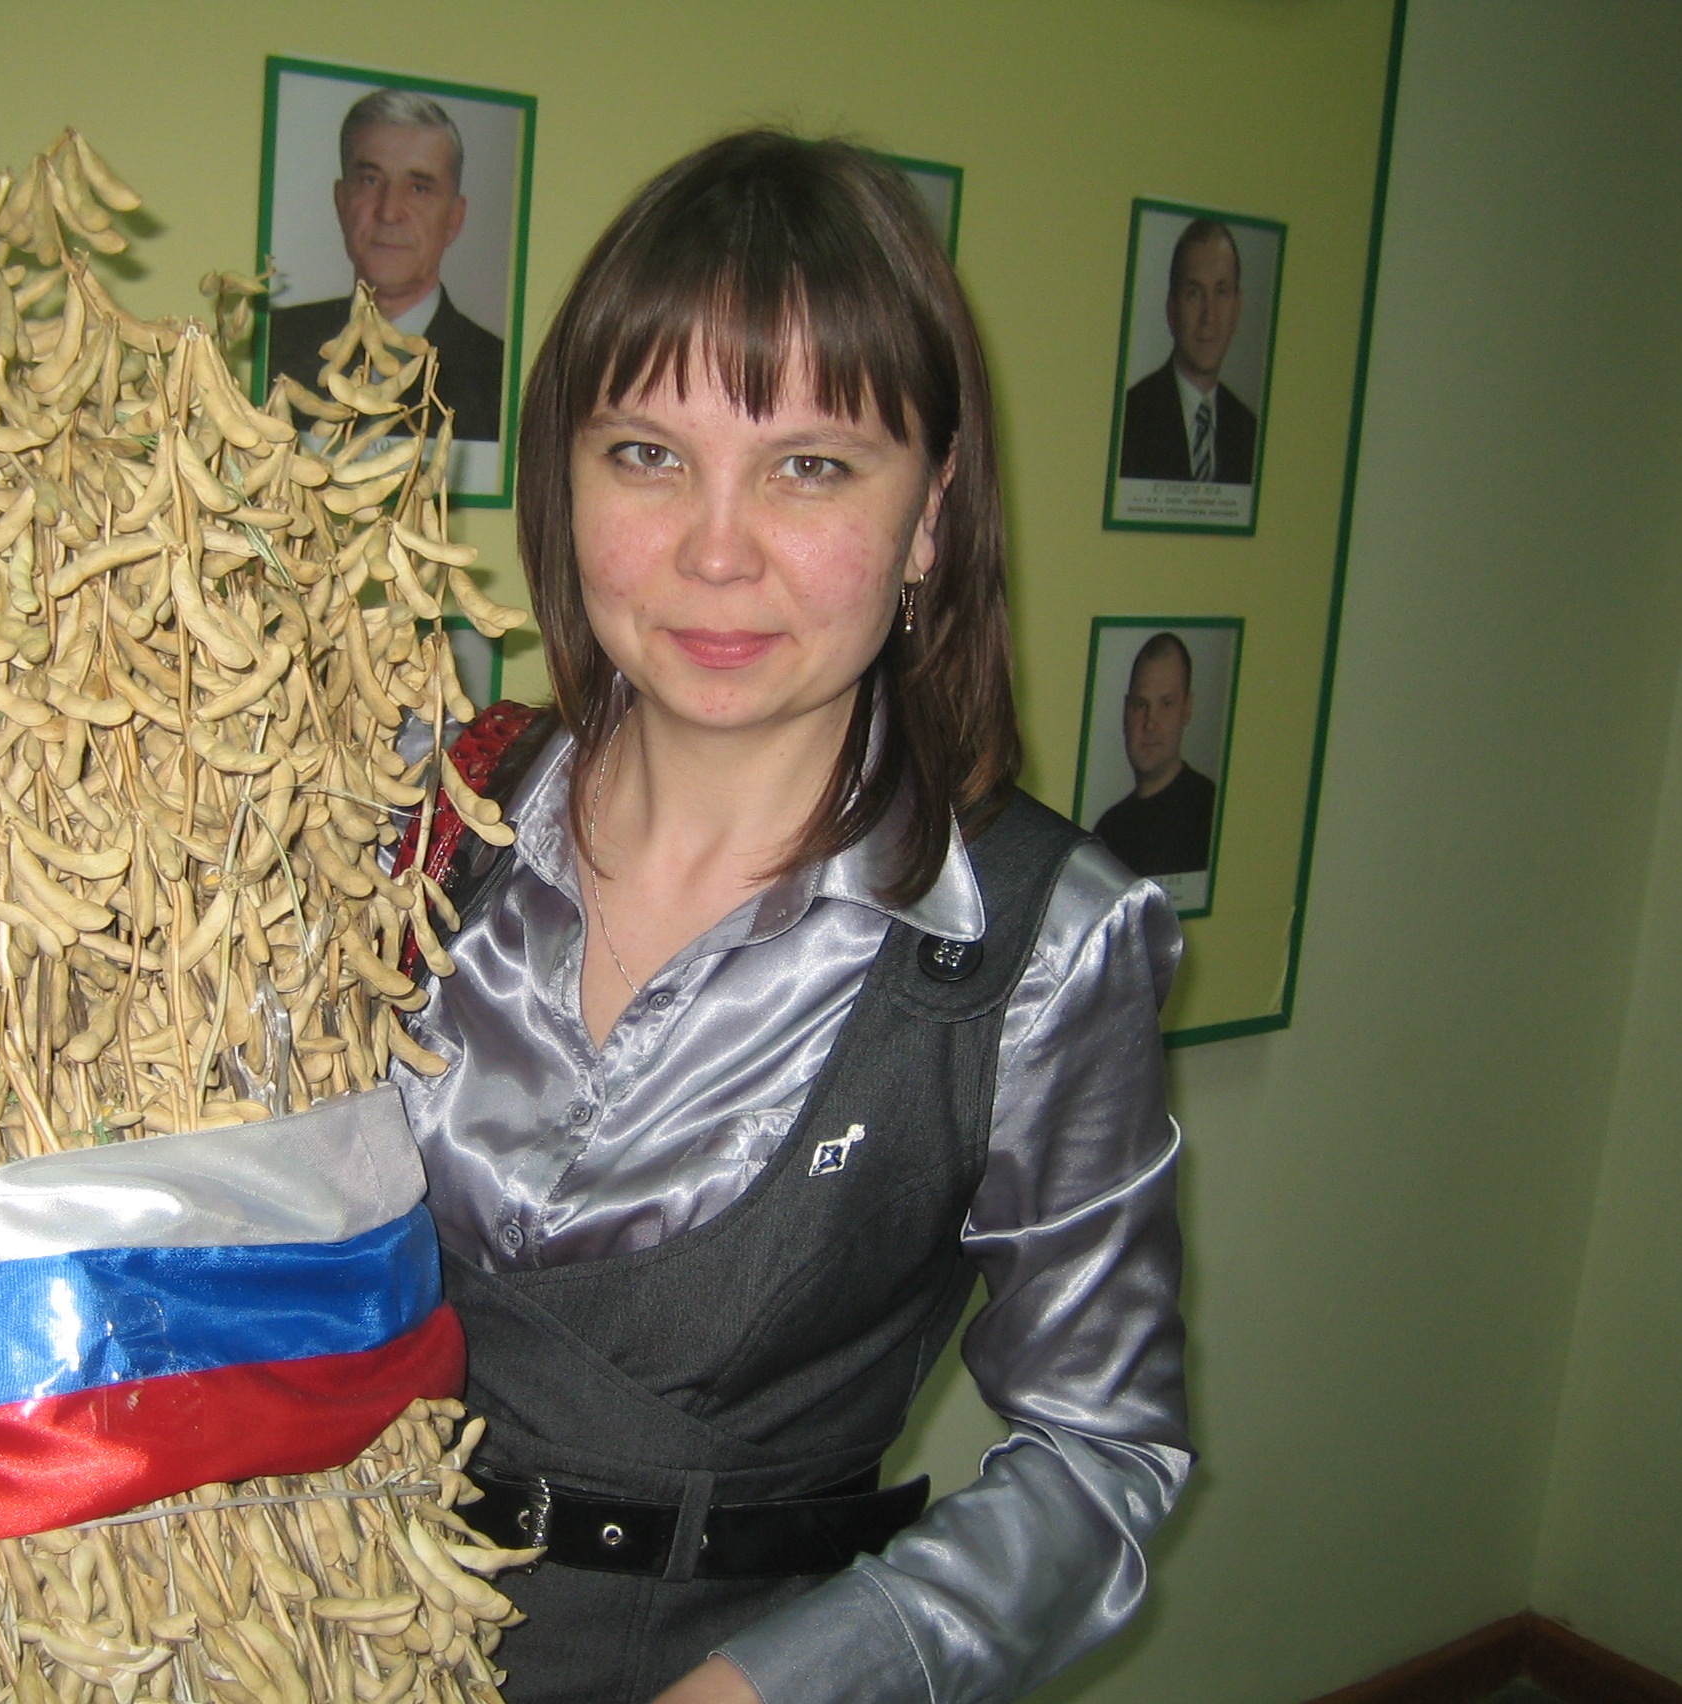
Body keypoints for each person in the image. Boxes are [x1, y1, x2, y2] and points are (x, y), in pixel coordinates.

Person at [394, 132, 1189, 1704]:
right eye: (647, 453)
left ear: (932, 513)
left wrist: (782, 1688)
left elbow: (1103, 1458)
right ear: (564, 475)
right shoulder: (429, 816)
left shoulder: (1042, 943)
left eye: (811, 467)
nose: (715, 549)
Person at [266, 88, 506, 442]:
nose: (389, 212)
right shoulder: (273, 345)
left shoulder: (498, 374)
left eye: (419, 188)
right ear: (341, 201)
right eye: (370, 180)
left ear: (454, 218)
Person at [1117, 218, 1257, 484]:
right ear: (1172, 308)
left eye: (1221, 292)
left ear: (1237, 308)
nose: (1209, 317)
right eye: (1194, 293)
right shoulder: (1131, 418)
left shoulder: (1248, 429)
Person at [1094, 633, 1217, 880]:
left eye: (1166, 704)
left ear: (1187, 708)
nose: (1150, 723)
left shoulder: (1210, 814)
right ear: (1126, 711)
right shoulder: (1108, 830)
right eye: (1141, 705)